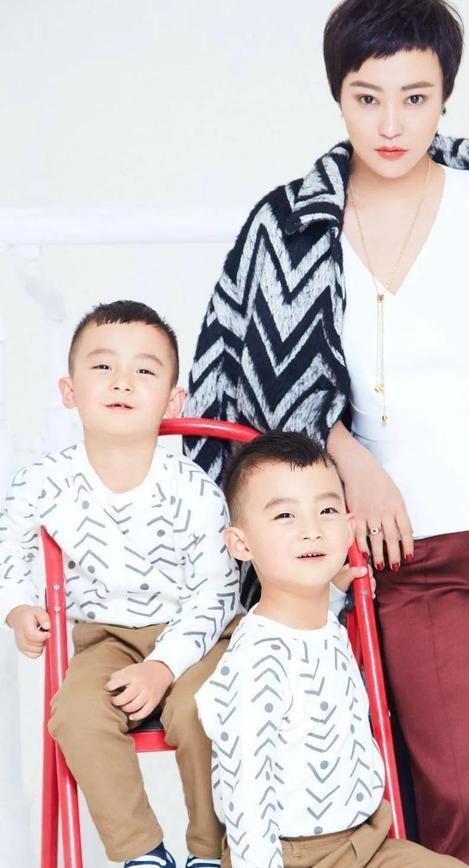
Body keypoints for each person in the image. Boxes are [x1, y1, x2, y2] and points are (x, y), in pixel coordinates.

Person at [185, 1, 469, 865]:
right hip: (401, 547)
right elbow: (253, 378)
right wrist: (348, 459)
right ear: (338, 96)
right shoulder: (291, 225)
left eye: (415, 97)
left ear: (445, 97)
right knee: (457, 794)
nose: (391, 125)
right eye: (368, 97)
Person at [0, 300, 242, 868]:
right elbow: (9, 542)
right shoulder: (46, 481)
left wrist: (163, 666)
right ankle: (143, 853)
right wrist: (17, 605)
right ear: (69, 391)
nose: (122, 382)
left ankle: (211, 851)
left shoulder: (193, 490)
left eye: (145, 370)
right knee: (75, 714)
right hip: (105, 639)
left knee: (203, 708)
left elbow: (216, 593)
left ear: (173, 402)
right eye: (103, 366)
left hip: (193, 634)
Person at [195, 430, 468, 868]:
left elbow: (311, 638)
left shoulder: (319, 621)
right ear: (241, 544)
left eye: (326, 510)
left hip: (367, 841)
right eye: (285, 515)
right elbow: (247, 799)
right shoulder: (255, 663)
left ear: (348, 524)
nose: (311, 530)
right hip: (289, 855)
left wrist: (338, 592)